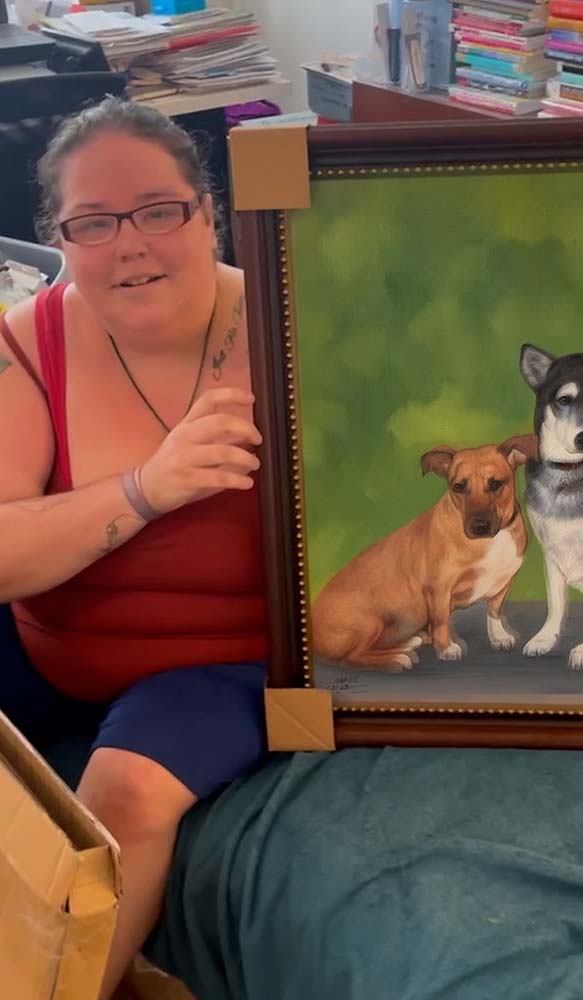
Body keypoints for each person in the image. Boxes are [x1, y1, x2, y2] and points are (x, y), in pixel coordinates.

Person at [0, 97, 269, 1000]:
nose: (132, 244)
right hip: (49, 646)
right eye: (93, 223)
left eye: (160, 210)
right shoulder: (22, 345)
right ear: (58, 238)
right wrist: (145, 489)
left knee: (125, 799)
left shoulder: (292, 326)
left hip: (227, 659)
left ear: (208, 210)